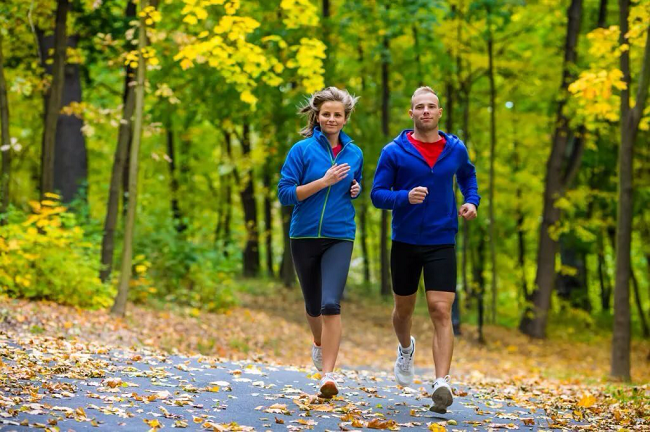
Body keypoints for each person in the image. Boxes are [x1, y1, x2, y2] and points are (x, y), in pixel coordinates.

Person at [370, 86, 480, 413]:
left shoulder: (455, 149)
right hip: (404, 241)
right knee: (403, 311)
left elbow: (468, 177)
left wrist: (471, 201)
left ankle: (441, 382)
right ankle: (406, 349)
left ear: (440, 112)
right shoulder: (394, 151)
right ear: (411, 113)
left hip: (442, 238)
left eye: (431, 106)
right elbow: (377, 195)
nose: (426, 112)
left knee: (440, 310)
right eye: (420, 107)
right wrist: (404, 197)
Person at [277, 87, 363, 398]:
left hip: (340, 235)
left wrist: (355, 188)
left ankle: (327, 376)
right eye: (326, 113)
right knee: (313, 306)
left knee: (330, 303)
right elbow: (286, 194)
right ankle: (318, 342)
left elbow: (357, 181)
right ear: (317, 115)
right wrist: (323, 182)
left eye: (337, 114)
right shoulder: (300, 151)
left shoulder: (355, 153)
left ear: (345, 118)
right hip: (304, 234)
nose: (331, 118)